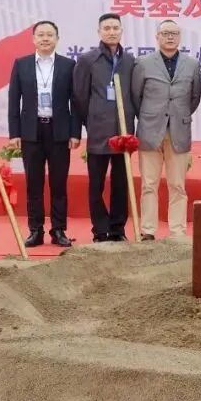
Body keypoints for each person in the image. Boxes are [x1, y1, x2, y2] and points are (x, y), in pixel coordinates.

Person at [6, 20, 79, 247]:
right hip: (31, 131)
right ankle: (35, 230)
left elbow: (75, 102)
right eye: (41, 35)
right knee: (33, 184)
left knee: (59, 184)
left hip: (59, 132)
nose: (45, 38)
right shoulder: (22, 64)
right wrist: (14, 132)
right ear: (33, 39)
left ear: (57, 38)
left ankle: (58, 230)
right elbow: (13, 100)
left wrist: (75, 132)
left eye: (50, 35)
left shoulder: (69, 65)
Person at [131, 20, 201, 240]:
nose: (170, 37)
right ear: (157, 37)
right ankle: (148, 230)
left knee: (178, 185)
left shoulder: (192, 64)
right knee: (149, 184)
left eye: (174, 33)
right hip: (150, 131)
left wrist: (178, 115)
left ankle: (177, 231)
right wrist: (150, 116)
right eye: (165, 33)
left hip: (179, 131)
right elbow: (136, 96)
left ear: (180, 37)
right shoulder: (143, 63)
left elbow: (194, 98)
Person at [73, 13, 136, 242]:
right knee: (96, 184)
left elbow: (134, 94)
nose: (111, 32)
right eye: (107, 28)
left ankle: (118, 229)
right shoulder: (87, 60)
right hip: (98, 131)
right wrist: (90, 120)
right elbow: (80, 97)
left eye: (115, 28)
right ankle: (100, 229)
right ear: (99, 32)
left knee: (121, 183)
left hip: (123, 131)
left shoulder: (129, 60)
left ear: (121, 31)